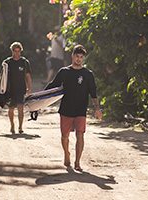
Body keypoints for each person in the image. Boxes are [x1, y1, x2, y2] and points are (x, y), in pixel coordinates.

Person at [45, 44, 102, 172]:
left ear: (83, 58)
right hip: (66, 109)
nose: (79, 59)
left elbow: (93, 92)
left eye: (81, 57)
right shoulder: (64, 72)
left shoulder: (88, 74)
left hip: (81, 110)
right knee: (65, 136)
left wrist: (97, 108)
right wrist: (39, 99)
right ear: (72, 56)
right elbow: (53, 85)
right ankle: (66, 154)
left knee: (80, 134)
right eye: (77, 56)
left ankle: (77, 162)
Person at [3, 42, 32, 134]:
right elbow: (2, 78)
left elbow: (28, 76)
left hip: (21, 88)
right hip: (10, 89)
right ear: (12, 51)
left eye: (18, 51)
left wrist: (29, 88)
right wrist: (2, 90)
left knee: (20, 108)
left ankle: (20, 127)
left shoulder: (24, 62)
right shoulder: (7, 62)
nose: (17, 53)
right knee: (11, 109)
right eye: (15, 51)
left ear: (21, 51)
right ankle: (12, 125)